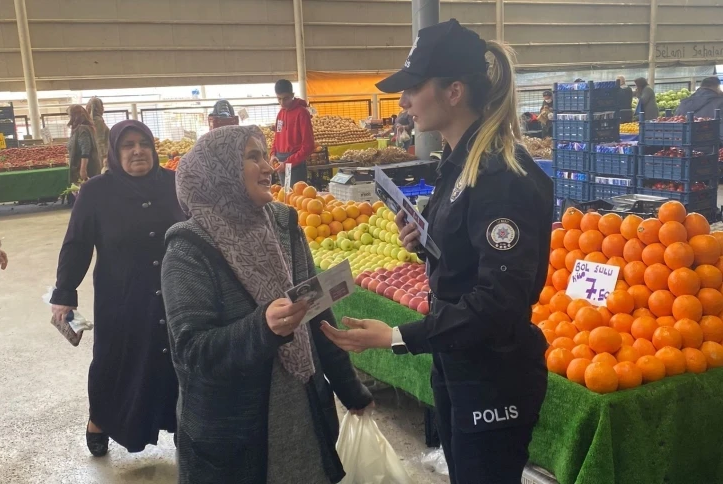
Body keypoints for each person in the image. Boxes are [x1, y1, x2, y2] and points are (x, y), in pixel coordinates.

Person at [320, 19, 553, 484]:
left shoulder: (501, 177)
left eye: (413, 87)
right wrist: (430, 248)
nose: (402, 102)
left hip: (493, 375)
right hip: (458, 364)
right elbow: (467, 261)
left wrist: (397, 337)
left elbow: (498, 302)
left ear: (454, 91)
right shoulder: (456, 164)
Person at [161, 125, 372, 484]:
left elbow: (317, 310)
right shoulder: (188, 249)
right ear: (220, 170)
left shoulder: (284, 223)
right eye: (252, 156)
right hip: (234, 430)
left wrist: (348, 386)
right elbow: (192, 352)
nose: (268, 166)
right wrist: (262, 328)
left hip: (302, 410)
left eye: (265, 154)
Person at [50, 120, 185, 457]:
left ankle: (184, 421)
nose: (138, 150)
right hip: (122, 298)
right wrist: (64, 294)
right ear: (113, 151)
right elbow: (77, 245)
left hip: (176, 295)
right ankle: (100, 420)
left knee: (177, 362)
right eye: (128, 145)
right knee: (114, 361)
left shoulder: (176, 183)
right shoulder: (95, 192)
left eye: (144, 143)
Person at [270, 79, 315, 187]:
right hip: (280, 162)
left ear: (292, 95)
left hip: (295, 164)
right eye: (279, 99)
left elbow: (308, 146)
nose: (282, 102)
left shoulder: (302, 113)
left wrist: (288, 163)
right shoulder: (280, 113)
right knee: (285, 197)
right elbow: (277, 136)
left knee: (296, 198)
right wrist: (272, 155)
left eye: (285, 98)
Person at [67, 105, 101, 183]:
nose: (69, 118)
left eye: (70, 115)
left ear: (75, 116)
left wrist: (83, 169)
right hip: (80, 166)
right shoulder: (79, 129)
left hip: (85, 168)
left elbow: (85, 150)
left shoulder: (82, 129)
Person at [86, 97, 110, 169]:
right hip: (100, 156)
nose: (103, 108)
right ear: (98, 107)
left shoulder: (90, 121)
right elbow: (100, 140)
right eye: (102, 106)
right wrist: (104, 156)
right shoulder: (97, 121)